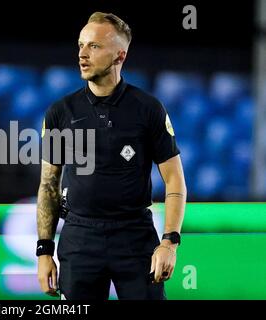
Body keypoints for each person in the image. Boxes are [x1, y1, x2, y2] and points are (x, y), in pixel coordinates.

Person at [36, 12, 186, 300]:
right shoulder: (60, 112)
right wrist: (44, 250)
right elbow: (48, 185)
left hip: (135, 238)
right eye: (80, 45)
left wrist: (169, 242)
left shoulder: (148, 109)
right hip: (79, 238)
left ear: (120, 56)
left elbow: (175, 180)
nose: (82, 54)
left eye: (94, 46)